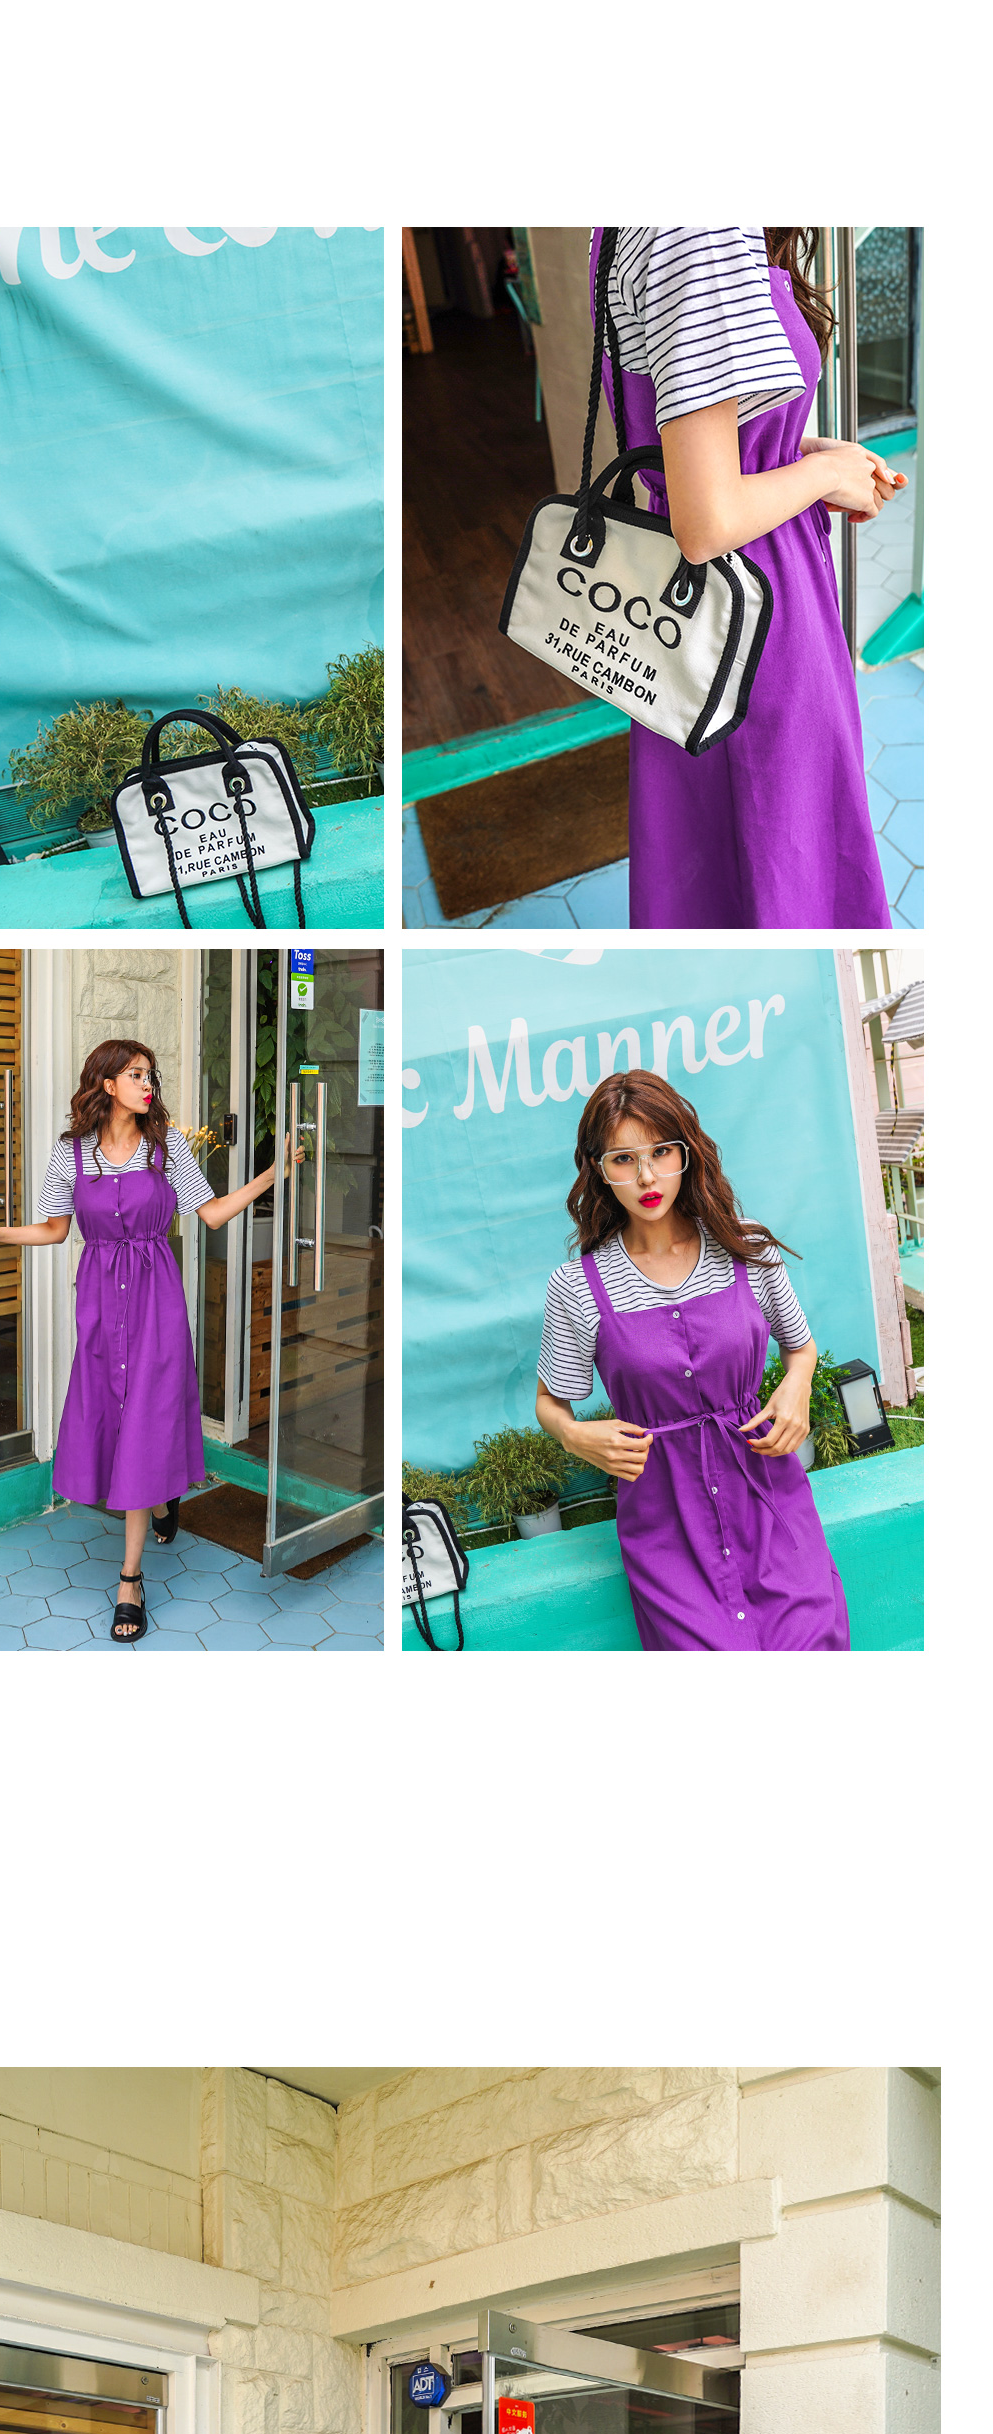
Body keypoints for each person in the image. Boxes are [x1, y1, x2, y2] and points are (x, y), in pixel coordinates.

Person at [586, 228, 904, 926]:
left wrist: (801, 452)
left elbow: (689, 442)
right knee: (789, 850)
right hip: (753, 606)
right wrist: (824, 474)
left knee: (712, 850)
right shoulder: (700, 225)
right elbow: (709, 521)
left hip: (691, 606)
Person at [0, 1039, 298, 1643]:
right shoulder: (71, 1153)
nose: (148, 1084)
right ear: (107, 1084)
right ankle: (161, 1499)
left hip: (156, 1301)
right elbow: (54, 1231)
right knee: (109, 1411)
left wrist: (272, 1176)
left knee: (144, 1417)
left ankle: (130, 1579)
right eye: (136, 1075)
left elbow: (212, 1214)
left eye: (151, 1075)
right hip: (98, 1302)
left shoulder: (167, 1150)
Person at [536, 1068, 849, 1650]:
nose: (647, 1177)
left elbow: (799, 1346)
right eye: (624, 1159)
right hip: (663, 1521)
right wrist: (575, 1436)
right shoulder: (577, 1287)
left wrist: (798, 1385)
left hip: (769, 1500)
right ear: (599, 1170)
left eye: (661, 1152)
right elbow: (551, 1403)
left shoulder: (746, 1246)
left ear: (686, 1152)